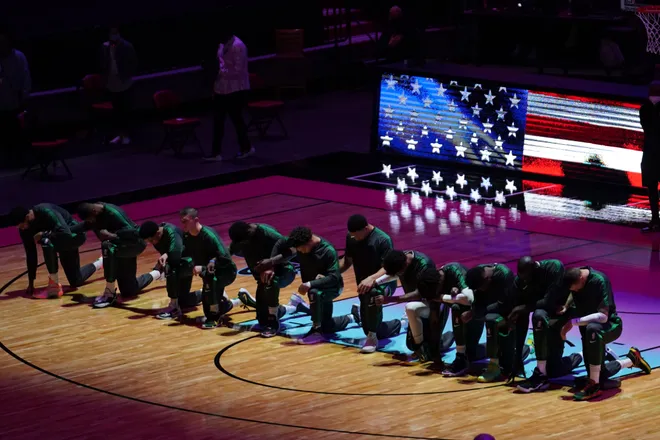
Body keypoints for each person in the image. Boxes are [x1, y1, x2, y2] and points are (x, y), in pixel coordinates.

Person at [561, 267, 652, 400]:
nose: (574, 291)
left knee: (592, 329)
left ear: (581, 279)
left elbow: (603, 317)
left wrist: (574, 321)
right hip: (589, 327)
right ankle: (631, 359)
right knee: (598, 373)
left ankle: (594, 387)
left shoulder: (600, 281)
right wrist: (566, 307)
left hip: (609, 326)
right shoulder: (577, 279)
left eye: (574, 288)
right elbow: (572, 294)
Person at [257, 226, 357, 343]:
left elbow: (334, 277)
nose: (299, 251)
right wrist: (271, 264)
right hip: (314, 287)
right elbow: (280, 242)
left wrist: (310, 283)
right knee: (327, 326)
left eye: (301, 249)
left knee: (315, 293)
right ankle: (354, 317)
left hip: (331, 287)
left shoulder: (327, 250)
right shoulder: (299, 241)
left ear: (309, 242)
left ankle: (316, 331)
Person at [512, 257, 582, 392]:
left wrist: (520, 308)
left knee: (554, 370)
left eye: (527, 277)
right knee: (538, 315)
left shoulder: (554, 267)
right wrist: (518, 355)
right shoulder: (520, 281)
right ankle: (540, 372)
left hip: (561, 310)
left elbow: (548, 302)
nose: (525, 281)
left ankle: (581, 354)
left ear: (535, 269)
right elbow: (522, 317)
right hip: (545, 313)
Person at [227, 221, 309, 337]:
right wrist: (215, 261)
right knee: (262, 320)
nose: (242, 244)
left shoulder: (266, 233)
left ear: (249, 231)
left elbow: (293, 249)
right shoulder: (242, 237)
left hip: (283, 272)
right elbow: (228, 251)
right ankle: (295, 306)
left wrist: (271, 263)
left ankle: (273, 321)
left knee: (269, 280)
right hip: (262, 281)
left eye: (244, 241)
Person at [75, 202, 159, 308]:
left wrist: (112, 236)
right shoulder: (95, 214)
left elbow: (134, 235)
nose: (91, 222)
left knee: (107, 246)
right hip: (120, 246)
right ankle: (158, 272)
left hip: (134, 245)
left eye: (91, 219)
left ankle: (109, 293)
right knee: (128, 291)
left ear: (94, 211)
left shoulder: (114, 213)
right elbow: (84, 226)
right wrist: (65, 231)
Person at [10, 204, 102, 299]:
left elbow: (65, 232)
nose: (22, 229)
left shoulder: (46, 211)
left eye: (22, 226)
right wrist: (31, 283)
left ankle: (54, 287)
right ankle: (101, 262)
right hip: (58, 241)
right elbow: (31, 254)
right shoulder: (25, 230)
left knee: (46, 241)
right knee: (76, 281)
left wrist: (44, 234)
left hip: (74, 236)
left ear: (27, 217)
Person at [339, 214, 401, 353]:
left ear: (366, 229)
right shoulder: (352, 237)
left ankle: (372, 338)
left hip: (384, 282)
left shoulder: (382, 240)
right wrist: (333, 272)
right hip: (363, 285)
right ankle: (399, 324)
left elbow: (388, 267)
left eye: (356, 235)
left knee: (373, 295)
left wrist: (372, 278)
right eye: (351, 235)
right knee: (368, 328)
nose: (353, 238)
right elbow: (347, 260)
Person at [379, 249, 451, 362]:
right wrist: (374, 281)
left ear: (405, 265)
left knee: (411, 308)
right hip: (420, 304)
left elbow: (419, 293)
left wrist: (391, 299)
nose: (398, 275)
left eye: (399, 273)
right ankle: (420, 347)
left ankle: (447, 337)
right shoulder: (400, 258)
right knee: (411, 345)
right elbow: (392, 274)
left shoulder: (425, 264)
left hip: (434, 304)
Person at [204, 17, 254, 162]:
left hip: (236, 90)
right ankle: (216, 153)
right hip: (222, 89)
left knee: (237, 120)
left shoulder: (238, 46)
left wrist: (221, 72)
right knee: (218, 121)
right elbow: (220, 63)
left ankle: (247, 148)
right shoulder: (222, 45)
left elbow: (238, 70)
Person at [179, 207, 238, 329]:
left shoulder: (209, 235)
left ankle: (215, 318)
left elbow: (225, 258)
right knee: (208, 298)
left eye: (185, 221)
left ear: (195, 220)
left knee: (210, 292)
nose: (182, 224)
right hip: (207, 273)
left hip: (225, 271)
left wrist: (204, 267)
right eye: (182, 221)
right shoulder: (186, 237)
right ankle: (233, 302)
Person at [138, 221, 205, 320]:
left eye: (151, 241)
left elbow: (175, 255)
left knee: (170, 268)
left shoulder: (171, 232)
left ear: (157, 233)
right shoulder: (156, 237)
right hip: (181, 263)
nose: (151, 243)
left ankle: (174, 308)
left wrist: (167, 255)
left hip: (191, 261)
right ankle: (207, 292)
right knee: (182, 301)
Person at [465, 263, 517, 383]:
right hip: (492, 310)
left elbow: (505, 304)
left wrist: (480, 311)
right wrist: (473, 312)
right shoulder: (478, 274)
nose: (480, 290)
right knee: (474, 314)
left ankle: (494, 365)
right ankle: (468, 351)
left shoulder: (504, 275)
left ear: (487, 279)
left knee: (490, 319)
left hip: (509, 312)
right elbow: (478, 303)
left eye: (481, 288)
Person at [100, 26, 137, 145]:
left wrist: (126, 74)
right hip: (111, 83)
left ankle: (127, 135)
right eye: (111, 33)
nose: (113, 35)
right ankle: (119, 135)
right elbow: (102, 63)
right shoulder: (105, 47)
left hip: (124, 82)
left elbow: (133, 62)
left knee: (125, 110)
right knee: (116, 112)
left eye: (115, 33)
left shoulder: (127, 46)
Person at [0, 26, 30, 168]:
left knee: (18, 134)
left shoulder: (18, 57)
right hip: (1, 105)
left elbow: (26, 77)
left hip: (17, 103)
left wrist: (24, 96)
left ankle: (21, 160)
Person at [639, 83, 660, 233]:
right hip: (650, 155)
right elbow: (648, 128)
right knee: (652, 189)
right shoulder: (645, 109)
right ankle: (655, 220)